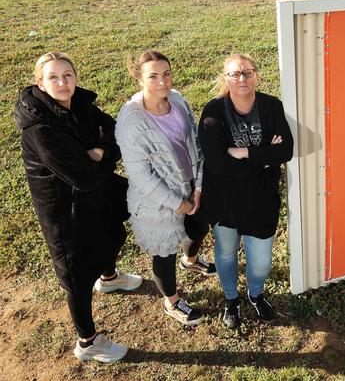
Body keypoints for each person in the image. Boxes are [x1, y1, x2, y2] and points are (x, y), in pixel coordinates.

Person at [14, 52, 142, 363]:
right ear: (40, 84)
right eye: (53, 77)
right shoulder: (39, 127)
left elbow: (113, 128)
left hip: (97, 190)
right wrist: (99, 155)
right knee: (77, 273)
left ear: (76, 77)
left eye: (67, 75)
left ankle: (110, 278)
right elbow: (82, 176)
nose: (62, 82)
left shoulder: (81, 104)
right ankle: (87, 341)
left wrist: (101, 150)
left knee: (113, 231)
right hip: (63, 208)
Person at [115, 50, 214, 326]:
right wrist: (177, 203)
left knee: (198, 228)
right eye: (153, 76)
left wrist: (198, 187)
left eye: (166, 74)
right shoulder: (131, 120)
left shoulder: (178, 100)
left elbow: (195, 140)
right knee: (164, 251)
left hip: (191, 186)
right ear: (140, 79)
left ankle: (191, 260)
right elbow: (140, 175)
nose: (163, 82)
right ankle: (171, 301)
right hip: (156, 202)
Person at [198, 53, 293, 329]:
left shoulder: (271, 106)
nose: (242, 78)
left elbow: (286, 150)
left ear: (256, 75)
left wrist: (241, 152)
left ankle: (256, 294)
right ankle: (231, 299)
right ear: (225, 79)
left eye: (247, 72)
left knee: (261, 262)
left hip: (262, 201)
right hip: (224, 202)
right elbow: (216, 161)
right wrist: (263, 158)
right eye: (235, 74)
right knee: (226, 254)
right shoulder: (214, 111)